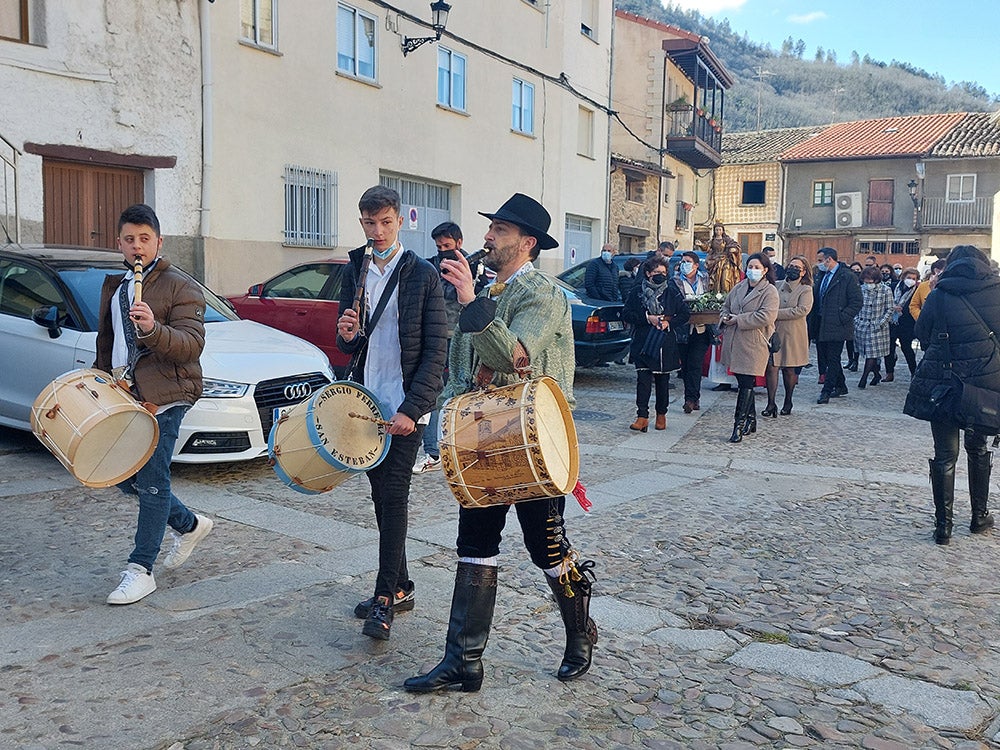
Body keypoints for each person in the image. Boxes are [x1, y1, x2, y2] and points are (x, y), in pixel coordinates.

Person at [403, 193, 597, 693]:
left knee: (546, 549)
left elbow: (518, 358)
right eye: (490, 228)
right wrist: (443, 423)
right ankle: (463, 661)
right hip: (484, 442)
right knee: (474, 547)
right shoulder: (486, 288)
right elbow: (459, 372)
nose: (487, 236)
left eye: (501, 231)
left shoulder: (545, 295)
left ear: (527, 243)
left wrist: (471, 303)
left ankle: (580, 632)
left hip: (533, 442)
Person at [336, 185, 448, 641]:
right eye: (368, 223)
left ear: (400, 220)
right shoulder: (354, 269)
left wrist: (412, 409)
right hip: (367, 403)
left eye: (384, 222)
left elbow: (436, 352)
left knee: (395, 497)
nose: (376, 231)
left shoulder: (422, 275)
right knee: (380, 496)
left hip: (405, 407)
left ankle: (383, 598)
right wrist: (345, 334)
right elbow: (351, 341)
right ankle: (400, 585)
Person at [96, 204, 213, 605]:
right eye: (129, 240)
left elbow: (191, 345)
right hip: (127, 396)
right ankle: (189, 523)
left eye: (145, 239)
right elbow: (110, 344)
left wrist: (152, 329)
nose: (137, 247)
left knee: (150, 480)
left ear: (159, 242)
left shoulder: (181, 286)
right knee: (122, 477)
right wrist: (99, 379)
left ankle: (140, 569)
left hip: (167, 396)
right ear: (120, 245)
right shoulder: (117, 285)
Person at [903, 245, 1000, 545]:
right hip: (985, 383)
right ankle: (978, 515)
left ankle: (943, 526)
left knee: (945, 454)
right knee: (978, 447)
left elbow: (922, 331)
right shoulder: (997, 291)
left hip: (945, 382)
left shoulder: (940, 293)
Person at [412, 221, 479, 475]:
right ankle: (433, 451)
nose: (442, 251)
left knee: (457, 392)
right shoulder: (432, 265)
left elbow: (464, 298)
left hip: (460, 336)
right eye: (439, 246)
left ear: (459, 244)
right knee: (433, 391)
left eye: (447, 246)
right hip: (434, 335)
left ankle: (443, 450)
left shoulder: (473, 267)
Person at [623, 257, 689, 432]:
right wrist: (647, 318)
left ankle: (661, 415)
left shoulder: (671, 290)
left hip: (663, 341)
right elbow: (627, 314)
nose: (660, 276)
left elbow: (684, 314)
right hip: (643, 341)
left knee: (662, 381)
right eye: (656, 273)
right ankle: (642, 416)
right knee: (643, 381)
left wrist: (669, 323)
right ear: (648, 273)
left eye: (663, 273)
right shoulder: (637, 291)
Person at [719, 253, 779, 443]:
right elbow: (726, 306)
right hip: (734, 341)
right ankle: (751, 419)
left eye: (756, 267)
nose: (752, 270)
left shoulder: (769, 291)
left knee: (746, 382)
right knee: (743, 381)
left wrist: (740, 319)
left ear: (765, 270)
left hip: (753, 342)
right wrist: (726, 317)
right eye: (750, 266)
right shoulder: (739, 287)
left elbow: (766, 316)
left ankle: (739, 424)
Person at [762, 255, 813, 417]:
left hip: (793, 333)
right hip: (774, 332)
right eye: (791, 266)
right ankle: (771, 403)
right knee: (771, 368)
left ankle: (788, 400)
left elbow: (801, 310)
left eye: (797, 267)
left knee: (789, 369)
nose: (792, 269)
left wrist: (773, 313)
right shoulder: (775, 285)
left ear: (804, 272)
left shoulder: (806, 289)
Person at [814, 248, 863, 405]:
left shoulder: (846, 276)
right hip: (822, 322)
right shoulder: (822, 275)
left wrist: (843, 317)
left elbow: (856, 302)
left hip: (838, 324)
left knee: (833, 358)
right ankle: (841, 385)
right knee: (827, 358)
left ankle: (826, 391)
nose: (819, 264)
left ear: (829, 259)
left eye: (821, 260)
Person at [673, 251, 711, 413]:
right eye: (682, 261)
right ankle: (692, 397)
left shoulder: (705, 279)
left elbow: (710, 298)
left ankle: (691, 398)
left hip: (701, 329)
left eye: (688, 261)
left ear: (696, 265)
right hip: (683, 329)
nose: (684, 264)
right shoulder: (674, 281)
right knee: (686, 366)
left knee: (695, 364)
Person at [853, 266, 894, 389]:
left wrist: (881, 323)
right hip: (862, 325)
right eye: (865, 280)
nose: (868, 283)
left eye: (870, 280)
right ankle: (876, 374)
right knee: (867, 353)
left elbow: (890, 309)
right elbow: (855, 306)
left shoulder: (886, 290)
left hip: (878, 327)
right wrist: (856, 321)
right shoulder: (860, 289)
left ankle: (863, 378)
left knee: (872, 354)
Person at [887, 267, 921, 379]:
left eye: (914, 278)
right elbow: (886, 301)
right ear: (903, 277)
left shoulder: (917, 290)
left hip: (907, 323)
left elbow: (916, 305)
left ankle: (913, 372)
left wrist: (904, 310)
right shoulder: (894, 287)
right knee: (889, 348)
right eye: (909, 277)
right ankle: (889, 372)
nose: (911, 280)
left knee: (906, 348)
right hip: (892, 321)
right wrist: (893, 307)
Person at [706, 223, 742, 295]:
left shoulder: (727, 240)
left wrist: (734, 249)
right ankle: (716, 294)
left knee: (725, 278)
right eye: (716, 230)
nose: (718, 231)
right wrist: (700, 245)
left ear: (723, 231)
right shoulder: (712, 241)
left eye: (720, 230)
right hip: (715, 261)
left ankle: (726, 294)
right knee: (715, 279)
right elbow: (706, 248)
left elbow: (736, 246)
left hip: (725, 261)